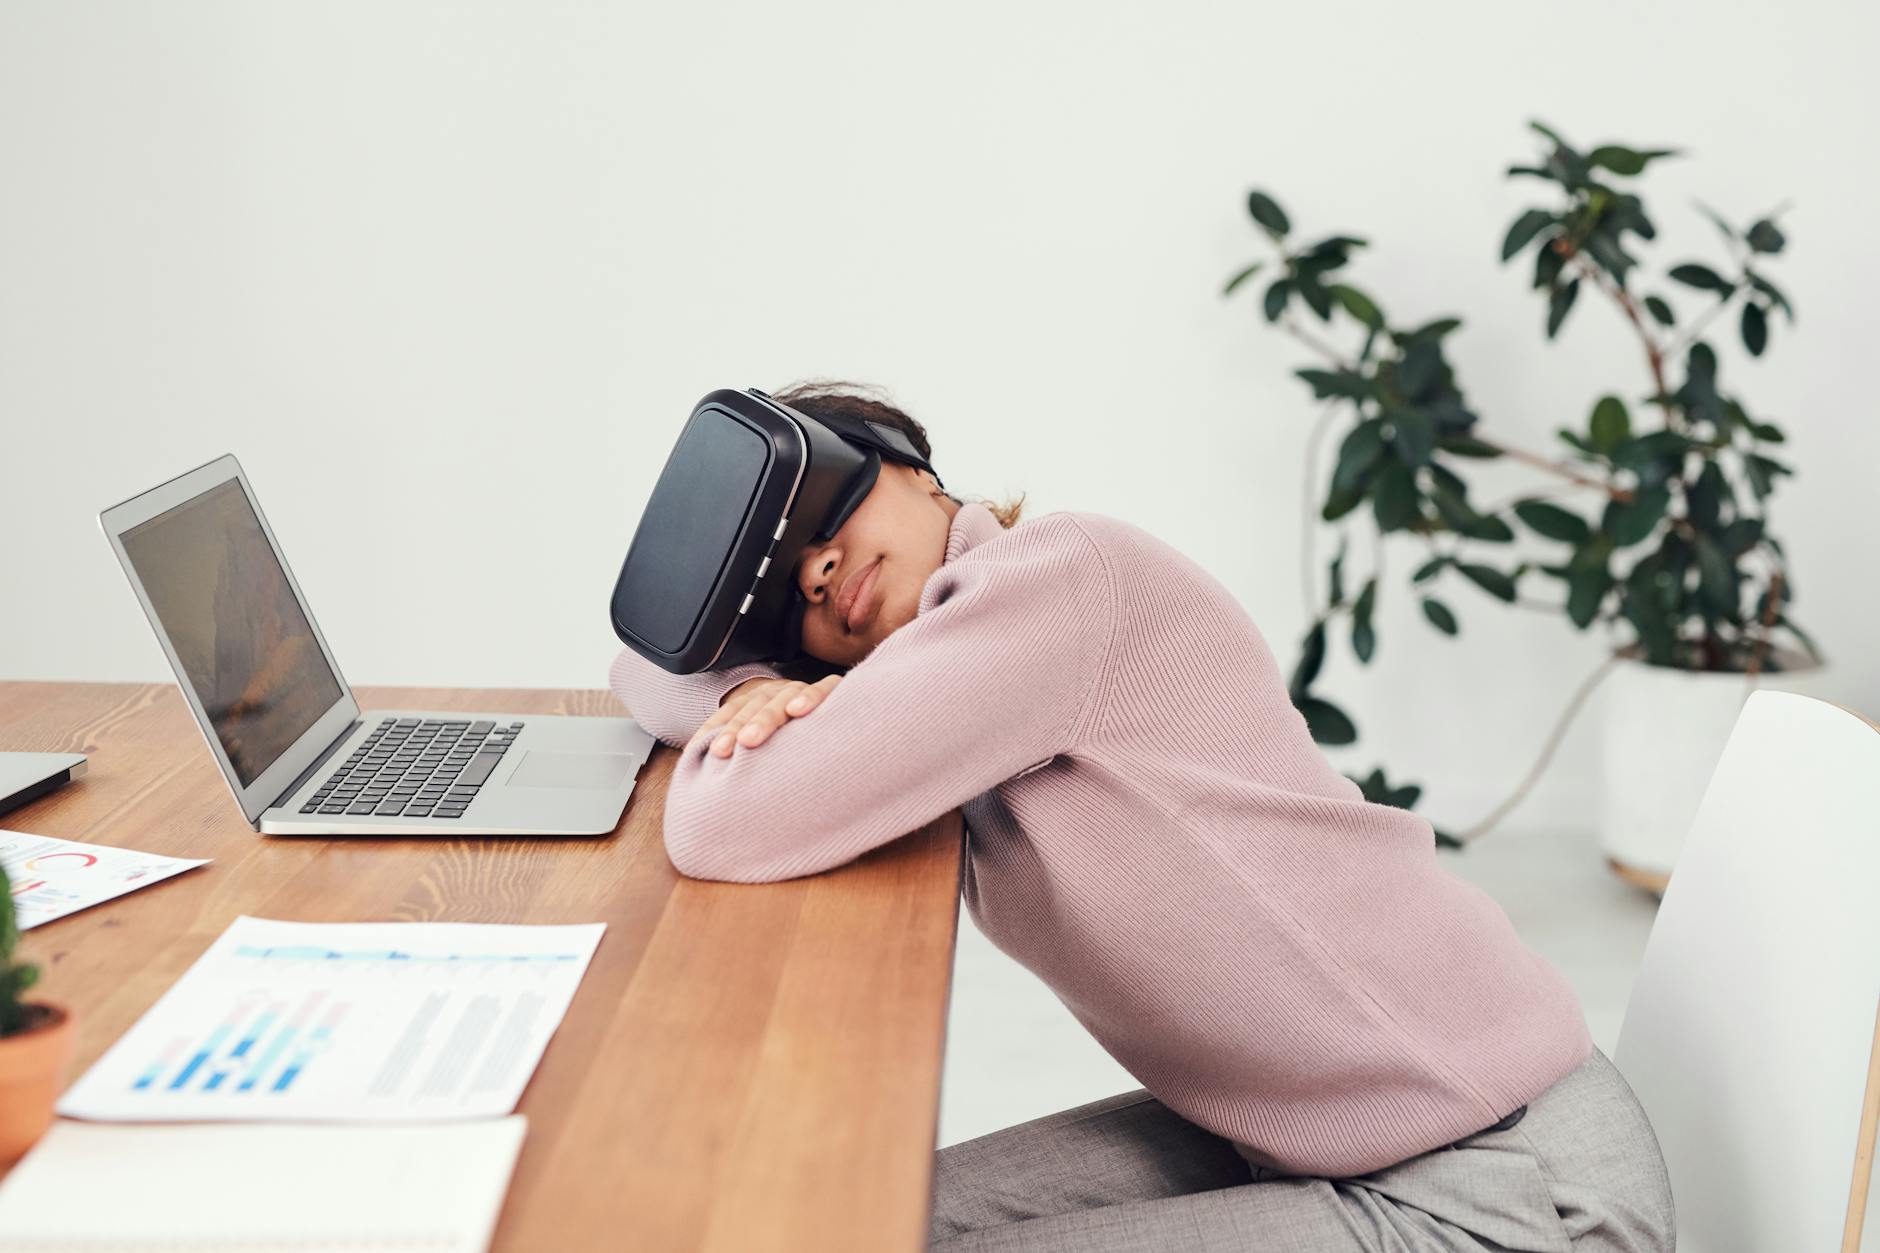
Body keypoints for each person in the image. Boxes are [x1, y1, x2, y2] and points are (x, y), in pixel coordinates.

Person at [608, 380, 1677, 1251]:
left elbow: (716, 825)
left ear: (914, 468)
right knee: (851, 1223)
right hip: (1322, 1134)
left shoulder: (1052, 580)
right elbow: (636, 666)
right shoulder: (936, 690)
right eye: (787, 591)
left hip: (1517, 1195)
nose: (821, 566)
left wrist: (750, 704)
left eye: (826, 514)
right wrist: (738, 689)